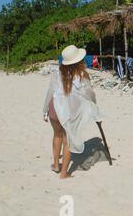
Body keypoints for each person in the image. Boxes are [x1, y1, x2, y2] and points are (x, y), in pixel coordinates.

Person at [43, 45, 102, 179]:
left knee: (57, 135)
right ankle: (64, 174)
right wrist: (95, 107)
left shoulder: (57, 72)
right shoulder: (82, 74)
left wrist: (45, 109)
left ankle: (56, 165)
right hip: (67, 109)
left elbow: (50, 91)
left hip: (53, 106)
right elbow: (89, 94)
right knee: (67, 140)